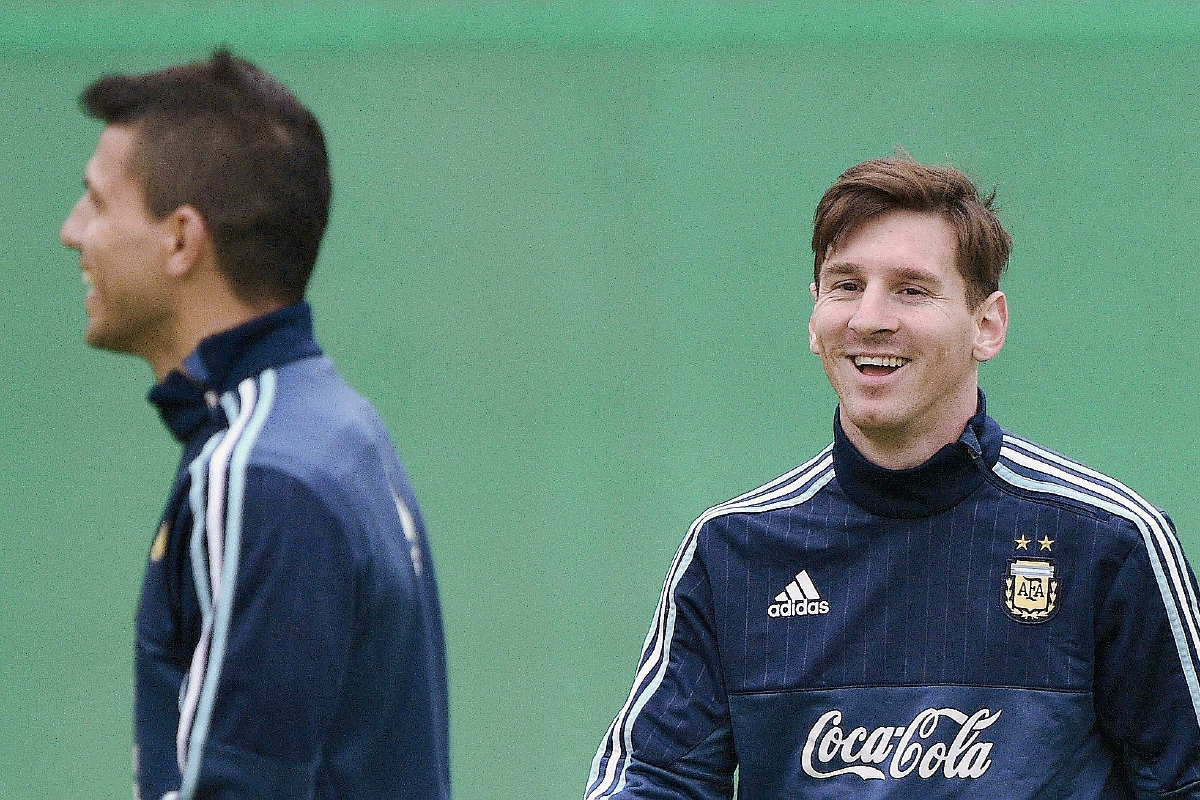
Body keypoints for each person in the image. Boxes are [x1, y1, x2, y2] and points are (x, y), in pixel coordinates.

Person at [585, 156, 1200, 798]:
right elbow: (654, 780)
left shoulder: (1107, 540)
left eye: (911, 289)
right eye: (845, 285)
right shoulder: (733, 548)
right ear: (814, 316)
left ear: (986, 326)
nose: (870, 317)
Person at [60, 50, 451, 799]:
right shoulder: (333, 428)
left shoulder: (260, 471)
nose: (71, 231)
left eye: (97, 203)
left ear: (181, 240)